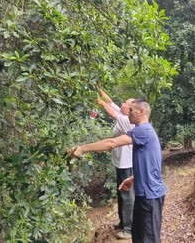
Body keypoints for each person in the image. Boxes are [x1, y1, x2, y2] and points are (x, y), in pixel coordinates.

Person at [69, 99, 166, 243]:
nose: (129, 114)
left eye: (132, 110)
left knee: (149, 239)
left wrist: (82, 148)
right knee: (138, 237)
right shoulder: (144, 131)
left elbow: (111, 143)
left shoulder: (143, 130)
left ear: (142, 112)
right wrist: (133, 178)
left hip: (150, 196)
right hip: (143, 195)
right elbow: (151, 163)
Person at [97, 88, 135, 240]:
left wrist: (99, 103)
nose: (122, 104)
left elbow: (111, 112)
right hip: (120, 163)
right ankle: (122, 222)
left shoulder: (127, 121)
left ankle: (128, 229)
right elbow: (110, 102)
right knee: (121, 194)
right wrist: (99, 90)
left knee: (127, 196)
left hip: (127, 164)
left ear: (131, 110)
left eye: (125, 103)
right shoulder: (123, 113)